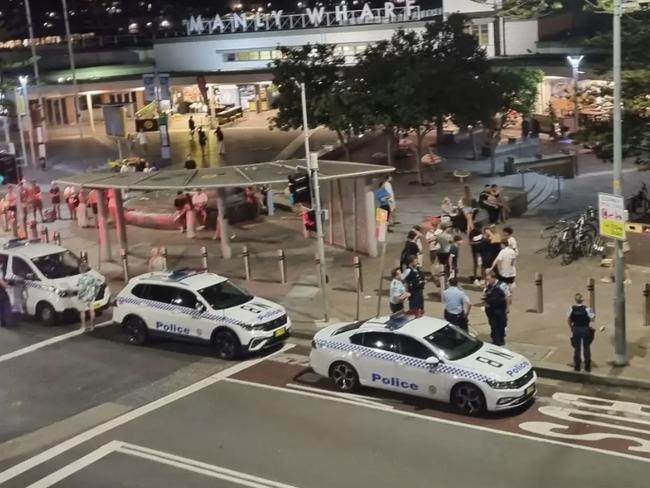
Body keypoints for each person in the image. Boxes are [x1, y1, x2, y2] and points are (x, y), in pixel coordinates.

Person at [568, 293, 595, 372]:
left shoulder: (571, 308)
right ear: (582, 300)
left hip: (576, 328)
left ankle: (577, 366)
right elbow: (593, 318)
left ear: (575, 300)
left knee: (577, 348)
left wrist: (572, 327)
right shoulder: (587, 309)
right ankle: (587, 366)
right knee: (586, 348)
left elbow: (569, 320)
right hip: (585, 329)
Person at [483, 271, 509, 346]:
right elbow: (486, 295)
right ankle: (496, 341)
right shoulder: (488, 286)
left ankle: (501, 339)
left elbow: (507, 297)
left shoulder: (502, 285)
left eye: (488, 279)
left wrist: (507, 308)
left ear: (494, 278)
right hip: (491, 310)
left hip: (500, 309)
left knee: (501, 324)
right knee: (493, 326)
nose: (487, 281)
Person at [76, 262, 102, 332]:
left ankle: (83, 326)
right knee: (92, 311)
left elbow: (79, 288)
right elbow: (98, 284)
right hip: (91, 296)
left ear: (81, 270)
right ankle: (92, 326)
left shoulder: (81, 278)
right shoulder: (92, 277)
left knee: (82, 311)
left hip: (83, 296)